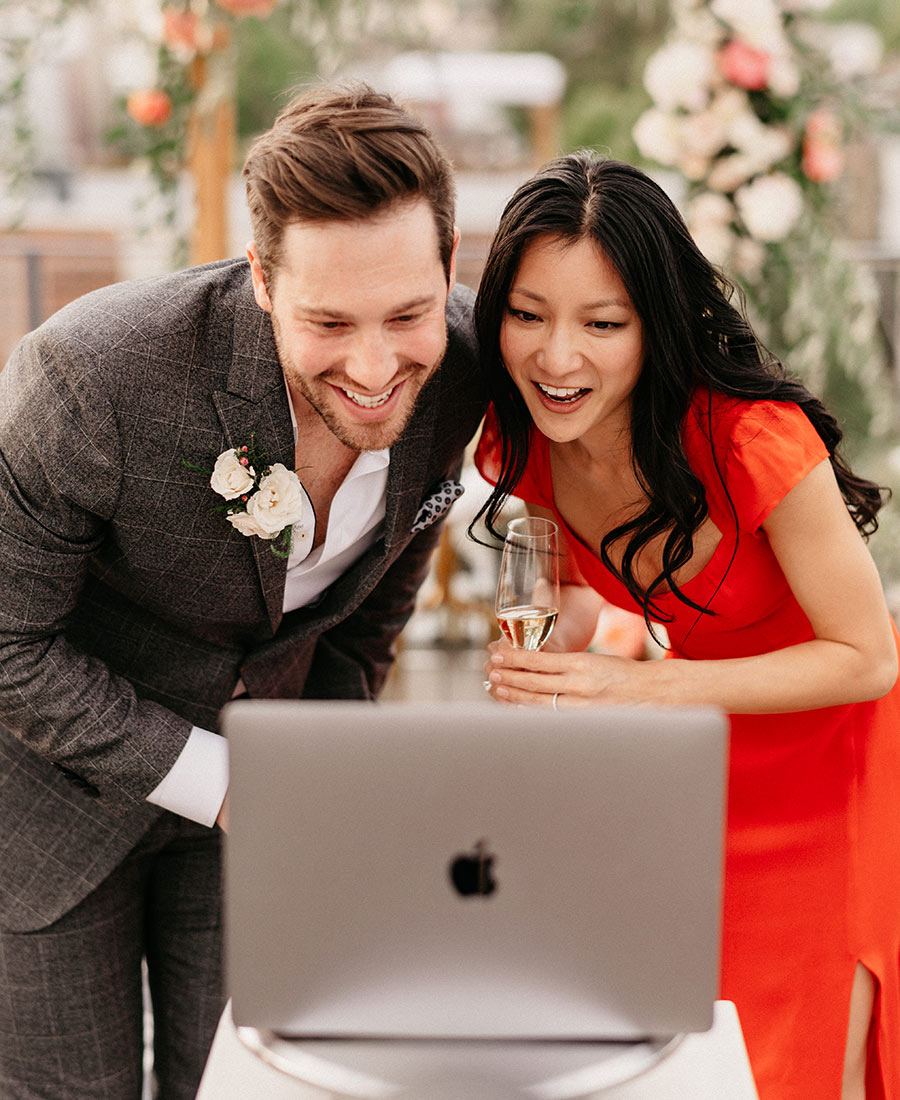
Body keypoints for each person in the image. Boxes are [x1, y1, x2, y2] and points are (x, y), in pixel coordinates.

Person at [0, 83, 484, 1098]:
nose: (375, 363)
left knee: (253, 1084)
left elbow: (369, 611)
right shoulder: (91, 380)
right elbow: (7, 643)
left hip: (266, 808)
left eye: (407, 312)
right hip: (42, 808)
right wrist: (223, 781)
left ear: (449, 266)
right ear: (261, 278)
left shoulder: (466, 372)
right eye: (329, 321)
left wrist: (327, 779)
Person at [473, 151, 900, 1099]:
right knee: (690, 1052)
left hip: (833, 755)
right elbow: (574, 596)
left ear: (655, 324)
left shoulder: (753, 439)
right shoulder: (522, 438)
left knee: (794, 1058)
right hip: (699, 759)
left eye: (603, 324)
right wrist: (547, 656)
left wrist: (646, 686)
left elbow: (868, 656)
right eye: (527, 314)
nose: (556, 357)